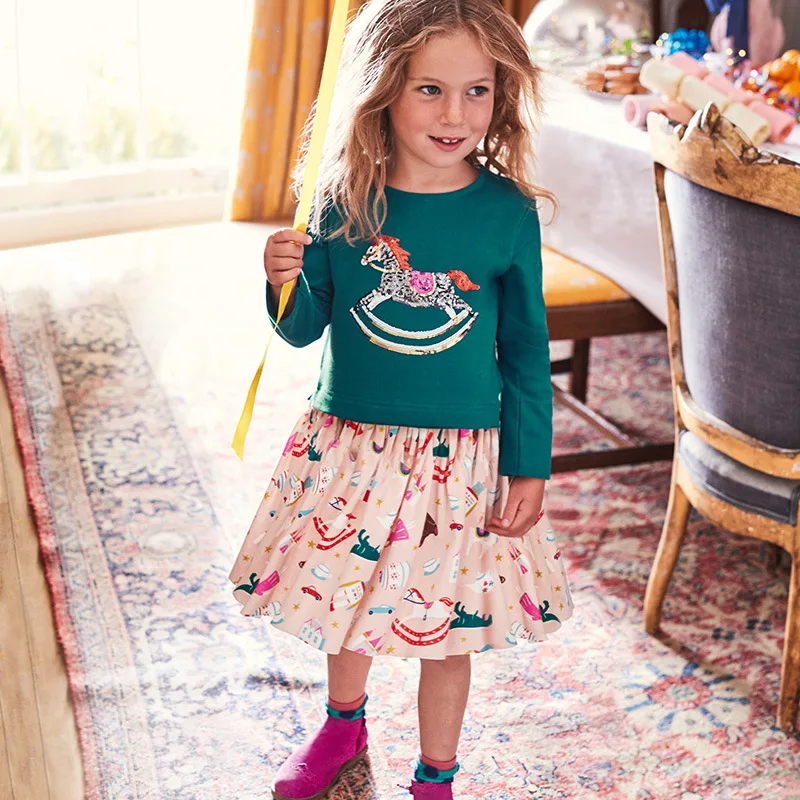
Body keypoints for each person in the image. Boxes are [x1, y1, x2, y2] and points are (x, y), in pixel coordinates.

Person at [228, 1, 572, 797]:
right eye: (430, 90)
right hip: (353, 447)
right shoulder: (340, 201)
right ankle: (342, 725)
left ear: (500, 94)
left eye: (477, 91)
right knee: (342, 601)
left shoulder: (507, 213)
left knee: (445, 628)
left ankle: (435, 777)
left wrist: (529, 466)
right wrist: (281, 280)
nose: (456, 115)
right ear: (383, 90)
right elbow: (302, 330)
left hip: (461, 463)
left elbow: (526, 352)